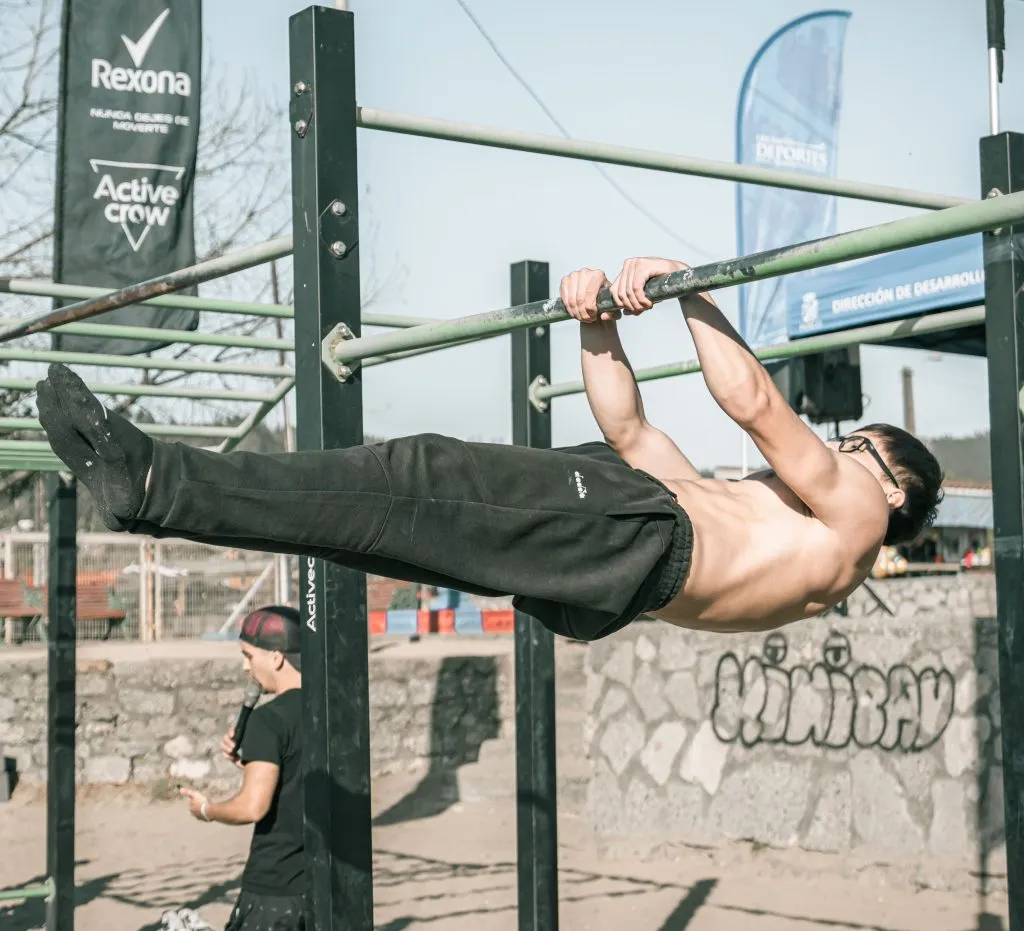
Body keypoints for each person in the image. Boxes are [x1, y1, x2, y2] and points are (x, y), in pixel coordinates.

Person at [34, 256, 943, 641]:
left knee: (418, 475)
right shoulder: (779, 528)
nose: (833, 447)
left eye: (858, 445)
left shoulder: (857, 524)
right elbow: (631, 433)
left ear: (895, 490)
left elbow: (750, 400)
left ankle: (153, 476)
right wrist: (596, 324)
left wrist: (687, 282)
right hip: (630, 557)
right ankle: (157, 494)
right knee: (385, 528)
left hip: (638, 540)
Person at [178, 605, 306, 931]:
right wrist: (251, 762)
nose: (246, 668)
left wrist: (207, 809)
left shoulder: (269, 720)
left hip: (276, 884)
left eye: (248, 656)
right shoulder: (331, 709)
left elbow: (254, 806)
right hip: (322, 883)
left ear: (276, 656)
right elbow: (296, 779)